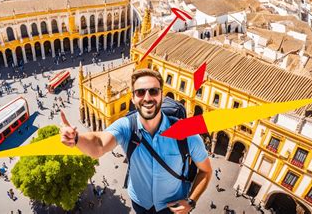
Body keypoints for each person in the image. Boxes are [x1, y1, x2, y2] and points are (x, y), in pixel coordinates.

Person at [61, 69, 212, 214]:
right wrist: (76, 138)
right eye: (140, 92)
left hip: (174, 207)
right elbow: (99, 144)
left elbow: (206, 171)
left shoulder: (187, 133)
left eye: (153, 91)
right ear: (133, 98)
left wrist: (191, 201)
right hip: (141, 205)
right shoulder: (127, 126)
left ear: (162, 95)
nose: (147, 98)